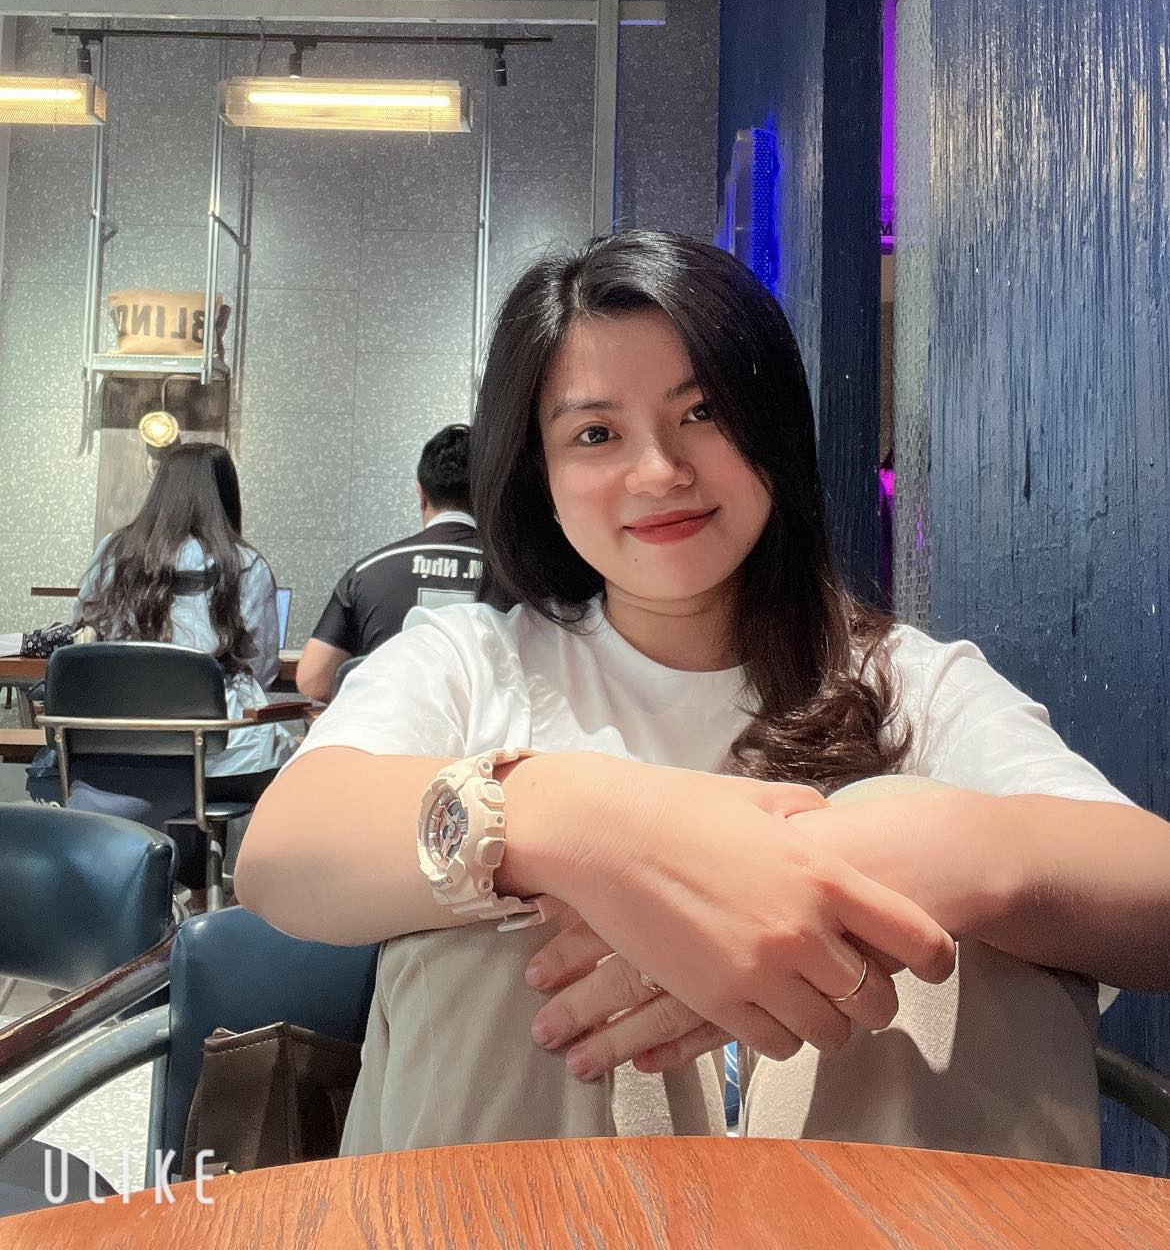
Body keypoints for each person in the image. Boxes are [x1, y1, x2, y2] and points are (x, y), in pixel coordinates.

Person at [236, 231, 1170, 1164]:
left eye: (704, 412)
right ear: (540, 475)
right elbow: (279, 855)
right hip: (538, 1208)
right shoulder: (470, 663)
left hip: (863, 1212)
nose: (660, 471)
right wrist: (568, 822)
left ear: (771, 428)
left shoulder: (903, 681)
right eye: (596, 434)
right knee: (511, 923)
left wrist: (908, 859)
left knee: (941, 940)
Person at [28, 442, 295, 886]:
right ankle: (203, 891)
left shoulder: (113, 552)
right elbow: (262, 668)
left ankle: (145, 889)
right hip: (218, 765)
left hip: (111, 755)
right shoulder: (245, 565)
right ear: (227, 496)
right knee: (275, 754)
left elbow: (85, 639)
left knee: (158, 771)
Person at [296, 424, 481, 702]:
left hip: (389, 726)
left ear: (421, 496)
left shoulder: (367, 573)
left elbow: (312, 680)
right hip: (485, 730)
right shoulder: (518, 579)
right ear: (487, 495)